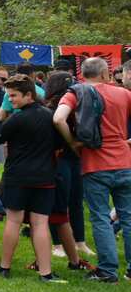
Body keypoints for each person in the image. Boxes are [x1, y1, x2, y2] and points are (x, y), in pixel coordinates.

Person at [53, 57, 131, 282]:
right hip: (124, 162)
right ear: (106, 73)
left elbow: (58, 119)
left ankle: (108, 271)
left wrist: (73, 143)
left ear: (82, 74)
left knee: (100, 218)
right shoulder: (123, 94)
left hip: (94, 163)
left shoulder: (76, 93)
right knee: (128, 217)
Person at [0, 74, 66, 283]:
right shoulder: (50, 116)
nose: (10, 99)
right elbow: (60, 145)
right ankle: (45, 273)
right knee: (40, 223)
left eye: (13, 95)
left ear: (28, 95)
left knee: (13, 221)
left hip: (17, 177)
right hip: (45, 176)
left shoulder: (16, 118)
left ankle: (4, 268)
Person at [41, 71, 96, 272]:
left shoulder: (76, 105)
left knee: (76, 200)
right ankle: (57, 244)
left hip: (74, 157)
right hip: (59, 158)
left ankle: (79, 241)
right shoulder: (50, 109)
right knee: (60, 202)